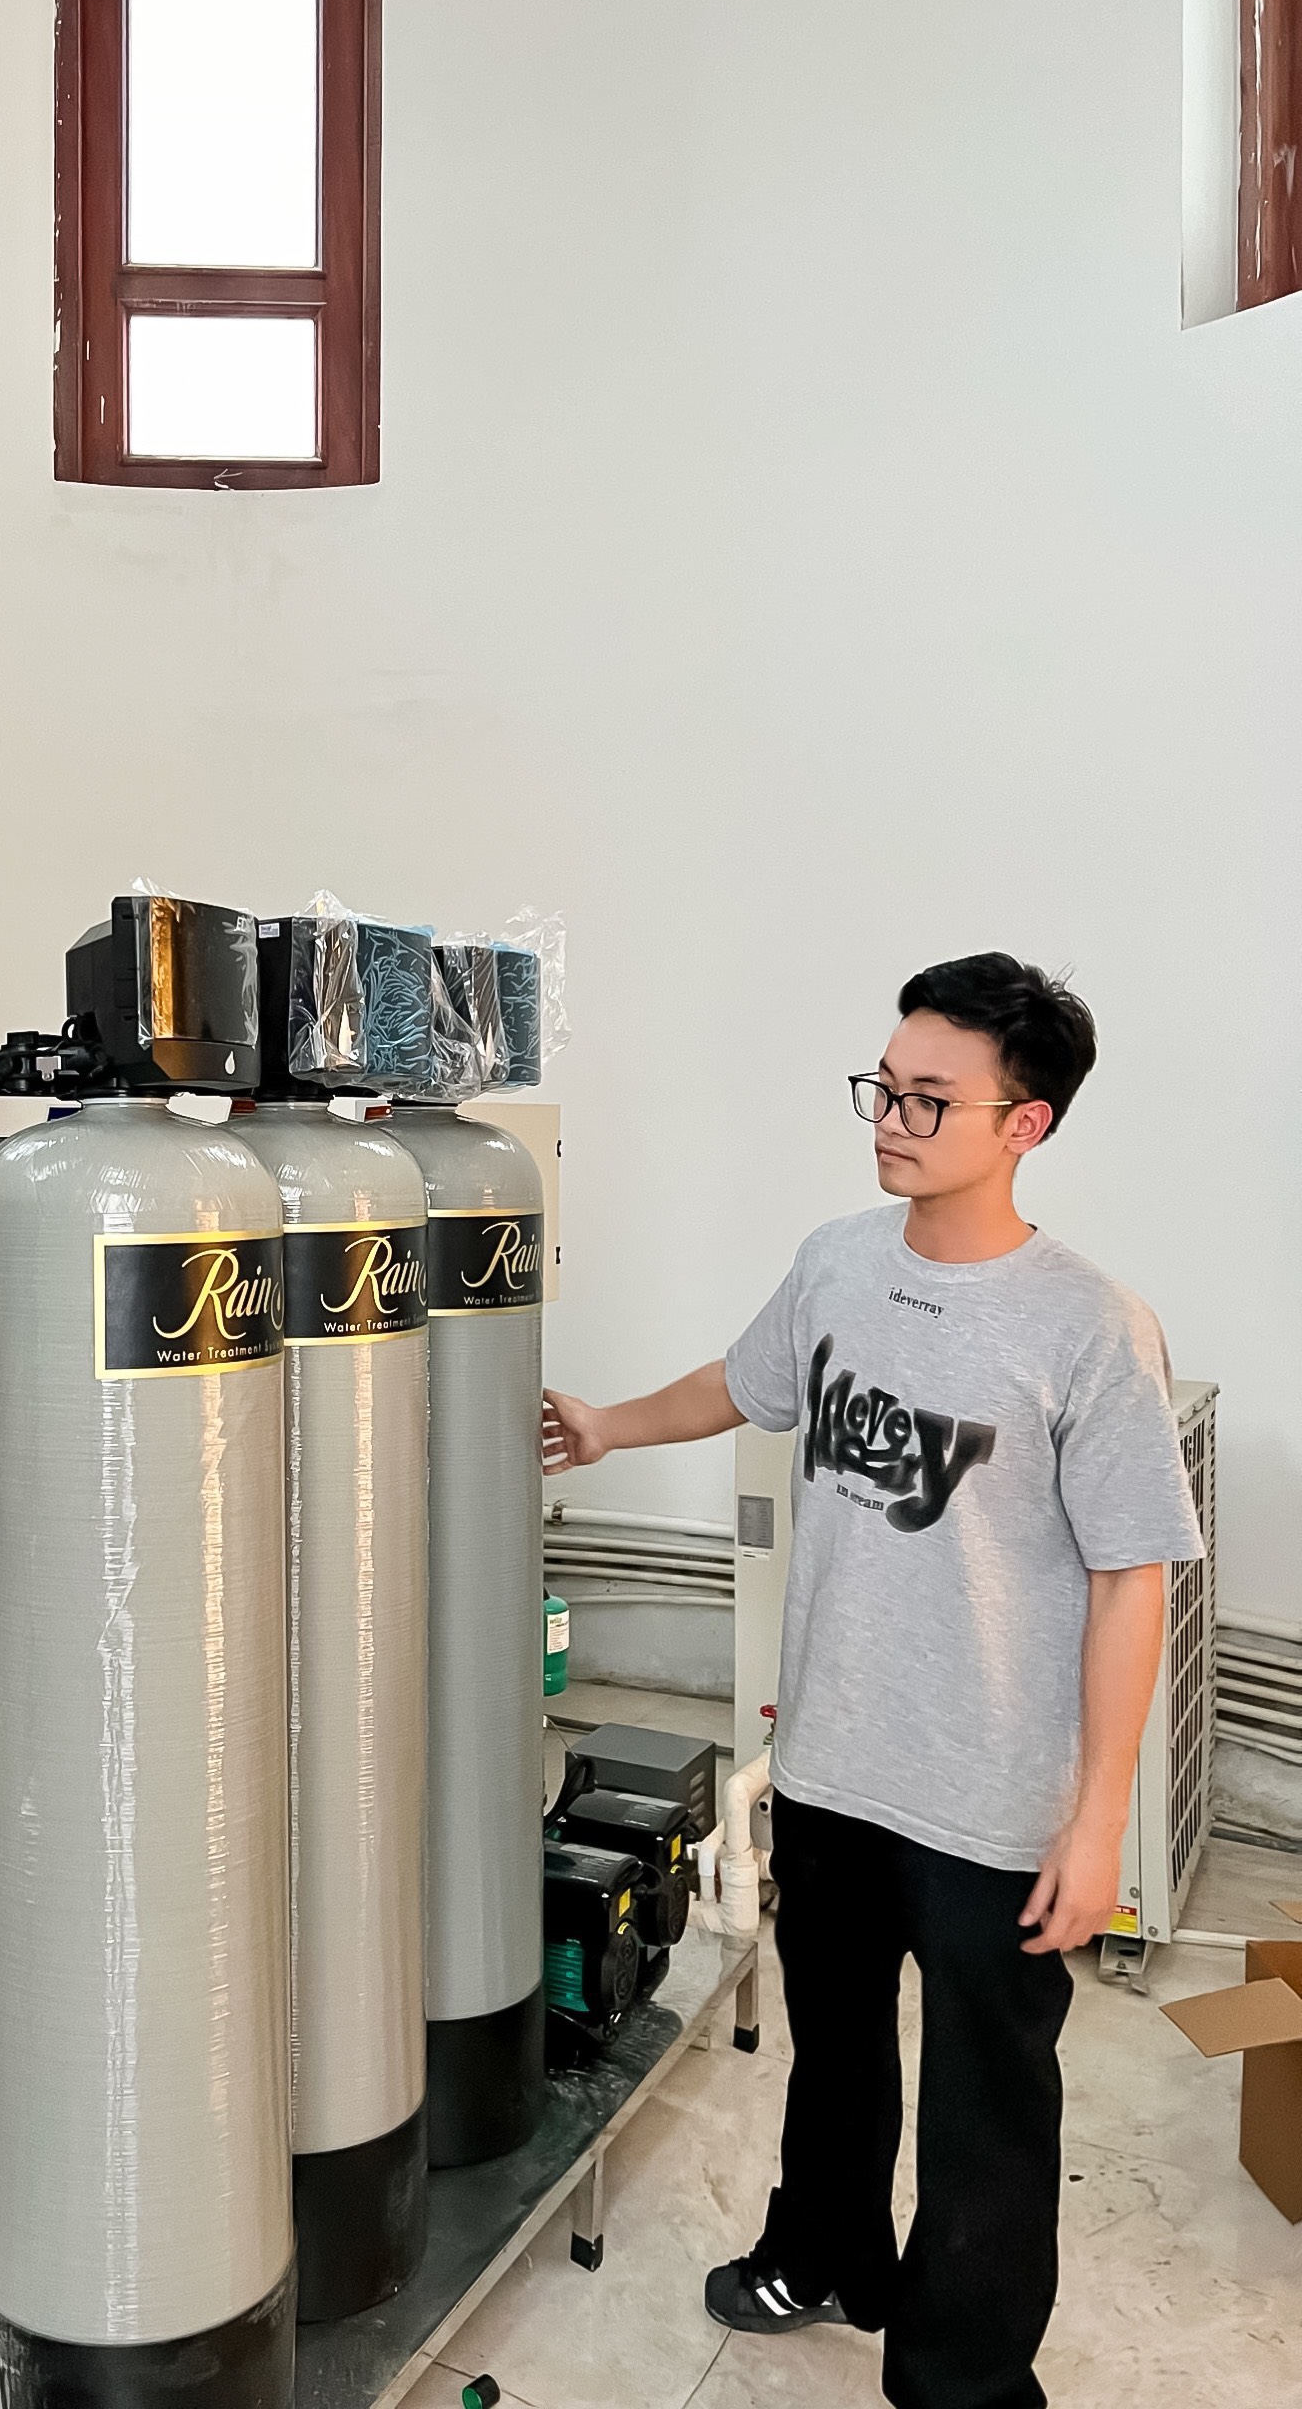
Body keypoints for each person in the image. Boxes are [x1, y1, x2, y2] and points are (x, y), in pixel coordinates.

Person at [542, 953, 1203, 2409]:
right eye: (883, 1090)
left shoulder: (1092, 1327)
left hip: (991, 1806)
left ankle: (963, 2379)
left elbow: (1130, 1581)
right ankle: (827, 2250)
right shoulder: (841, 1259)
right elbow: (744, 1382)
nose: (891, 1122)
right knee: (835, 2051)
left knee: (989, 2112)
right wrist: (608, 1426)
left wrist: (1098, 1821)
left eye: (928, 1100)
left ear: (1024, 1124)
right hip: (835, 1764)